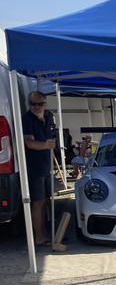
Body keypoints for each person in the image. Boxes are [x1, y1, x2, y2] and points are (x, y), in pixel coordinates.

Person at [22, 91, 56, 246]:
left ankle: (44, 231)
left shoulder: (47, 119)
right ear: (28, 104)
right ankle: (39, 236)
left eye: (40, 104)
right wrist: (45, 145)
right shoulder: (26, 120)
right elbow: (28, 142)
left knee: (46, 201)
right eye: (33, 103)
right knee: (38, 202)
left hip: (46, 165)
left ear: (45, 104)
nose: (36, 107)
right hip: (34, 167)